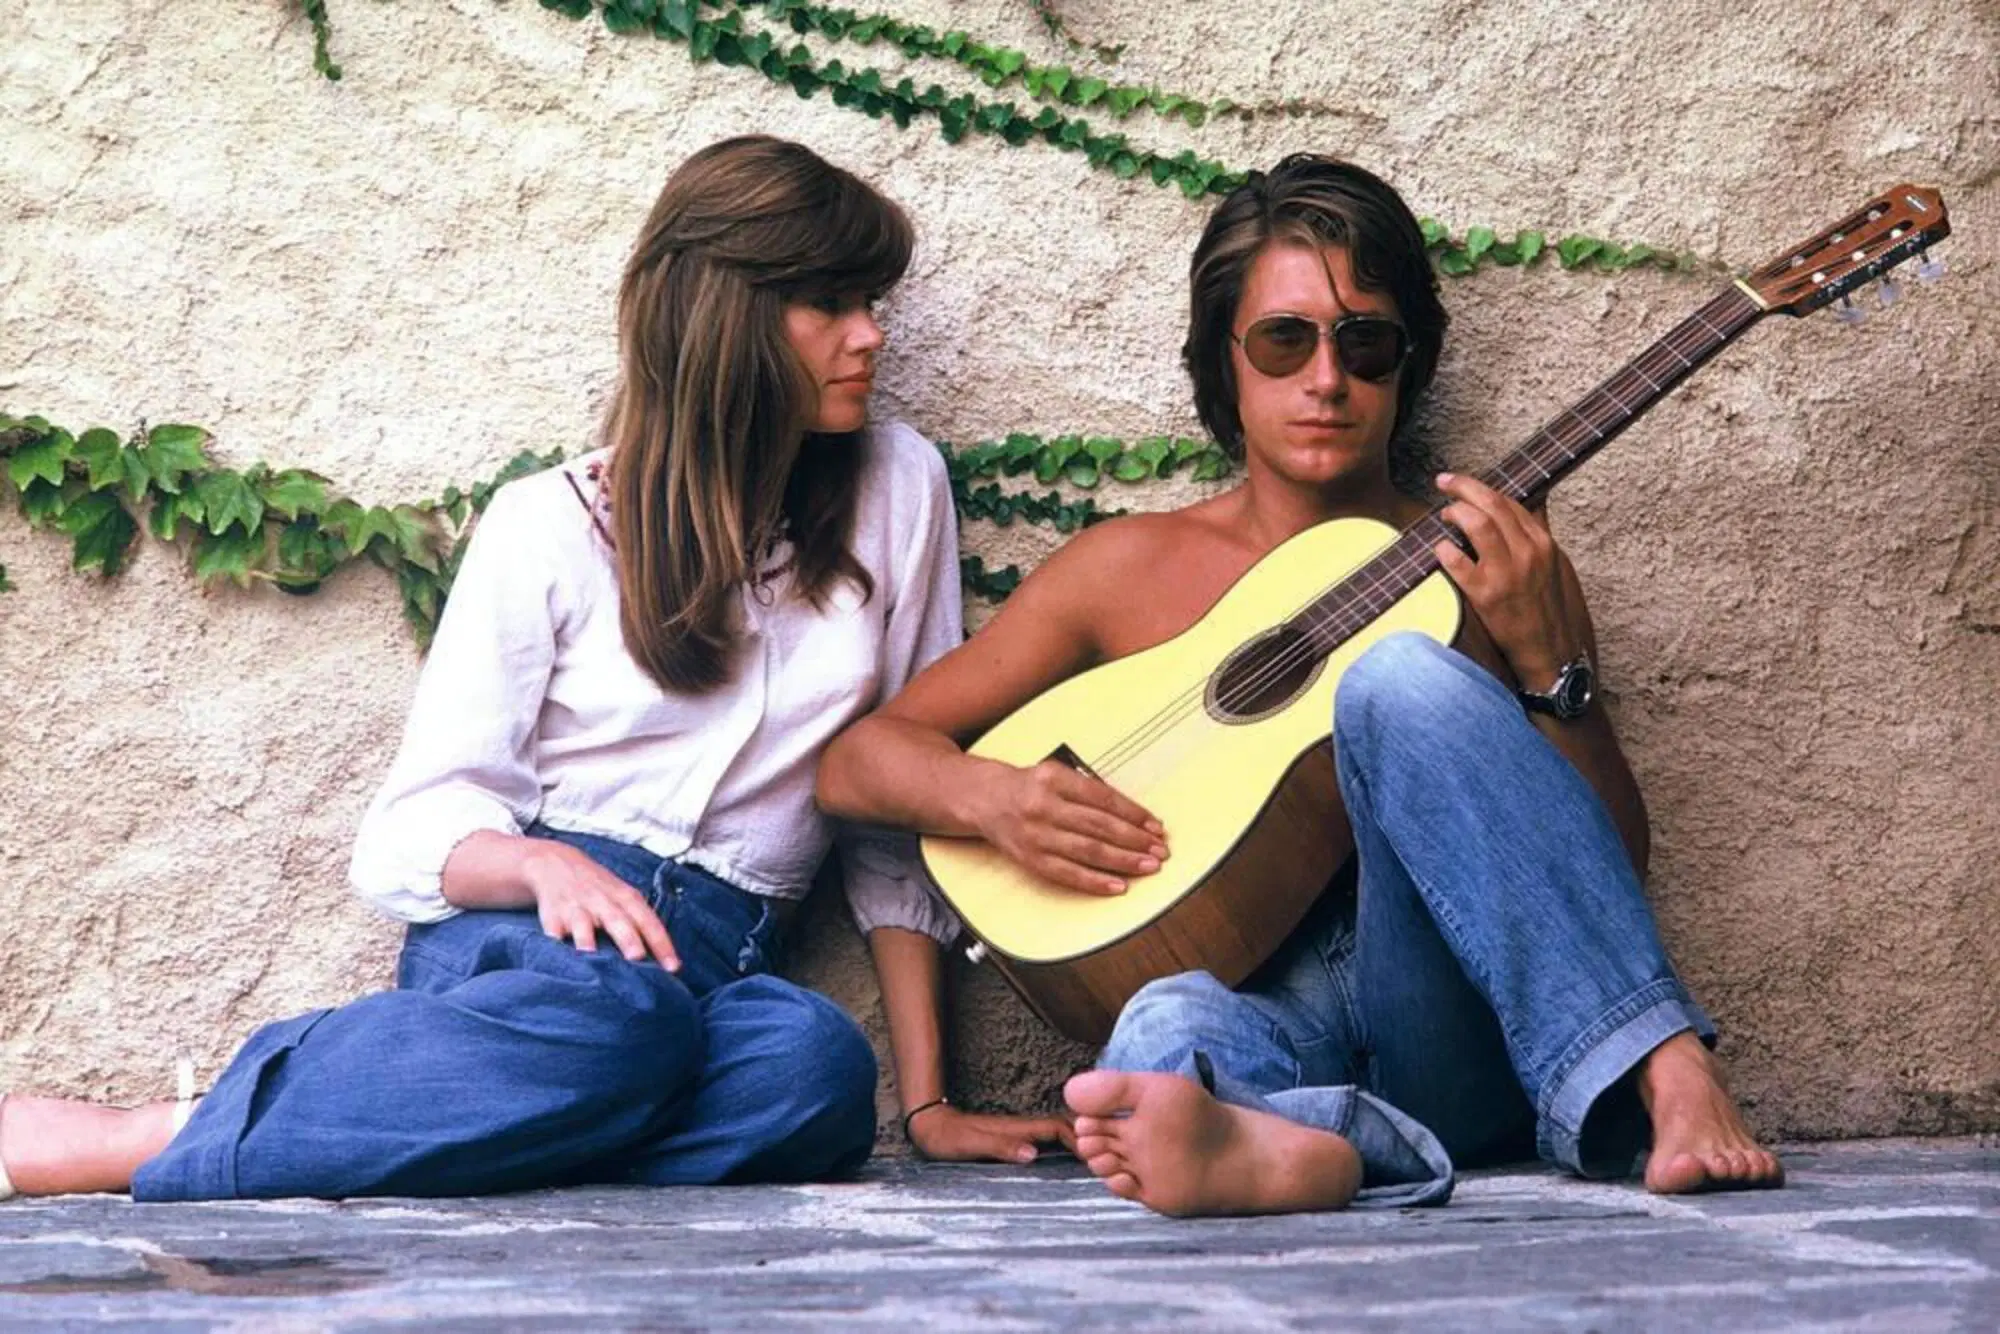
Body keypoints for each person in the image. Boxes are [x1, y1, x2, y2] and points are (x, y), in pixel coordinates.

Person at [0, 134, 1066, 1204]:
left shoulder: (899, 488)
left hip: (715, 965)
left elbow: (890, 803)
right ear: (720, 316)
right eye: (828, 303)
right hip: (533, 952)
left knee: (815, 1068)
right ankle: (152, 1134)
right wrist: (540, 868)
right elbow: (410, 829)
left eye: (869, 299)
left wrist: (925, 1104)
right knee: (611, 1023)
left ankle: (469, 1129)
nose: (869, 334)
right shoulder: (549, 525)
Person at [815, 153, 1786, 1216]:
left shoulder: (1489, 564)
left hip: (1446, 1024)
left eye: (1362, 342)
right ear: (1221, 363)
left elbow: (1605, 873)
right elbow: (859, 761)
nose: (1325, 379)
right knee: (1154, 1040)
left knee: (1400, 676)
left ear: (1404, 366)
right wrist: (996, 798)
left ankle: (1670, 1068)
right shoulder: (1123, 569)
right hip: (1263, 1019)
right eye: (1284, 340)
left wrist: (1553, 673)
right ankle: (1319, 1149)